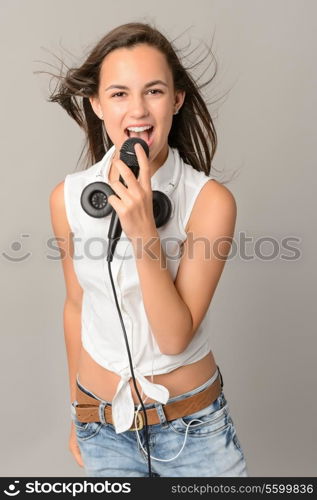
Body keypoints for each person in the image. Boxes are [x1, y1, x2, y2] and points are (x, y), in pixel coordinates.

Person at [48, 22, 248, 477]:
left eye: (153, 91)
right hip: (103, 429)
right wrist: (78, 411)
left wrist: (142, 232)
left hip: (193, 434)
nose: (137, 110)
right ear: (97, 104)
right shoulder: (68, 197)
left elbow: (174, 337)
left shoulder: (210, 202)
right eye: (118, 94)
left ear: (176, 99)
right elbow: (76, 304)